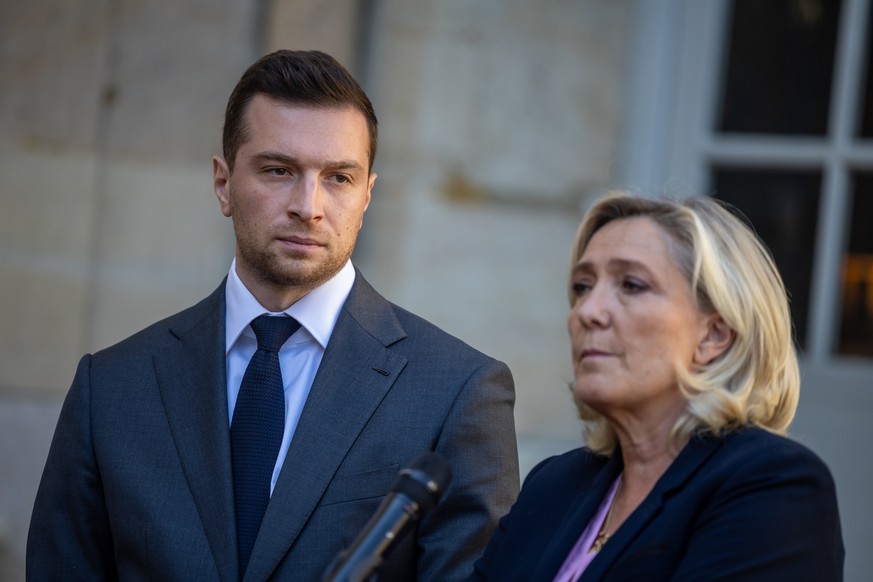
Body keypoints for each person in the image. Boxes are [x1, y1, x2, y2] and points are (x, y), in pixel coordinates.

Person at [26, 49, 519, 581]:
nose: (309, 206)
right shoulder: (112, 388)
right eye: (279, 170)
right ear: (223, 184)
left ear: (367, 196)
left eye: (339, 178)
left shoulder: (458, 392)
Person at [469, 191, 843, 581]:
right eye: (582, 287)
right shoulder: (552, 486)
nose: (587, 311)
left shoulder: (773, 486)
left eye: (631, 285)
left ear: (714, 335)